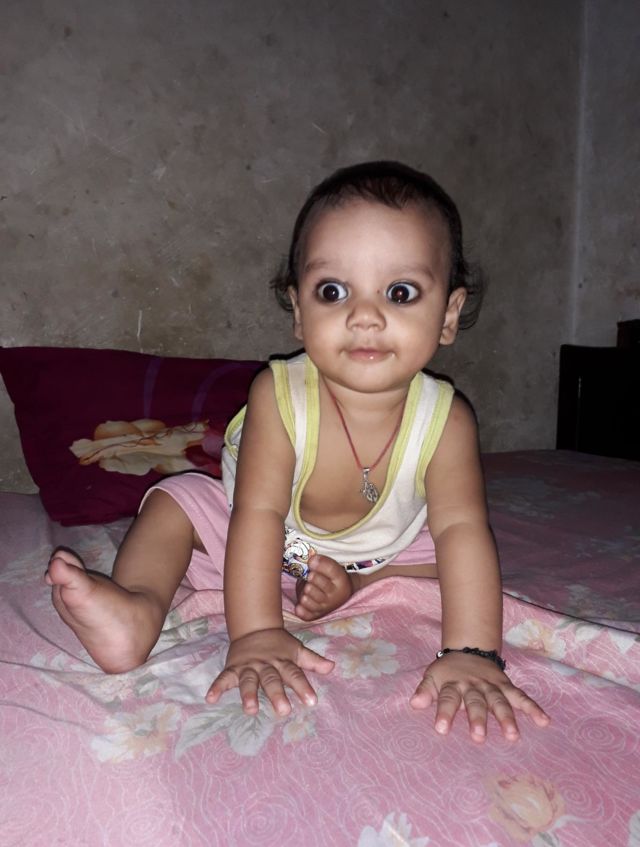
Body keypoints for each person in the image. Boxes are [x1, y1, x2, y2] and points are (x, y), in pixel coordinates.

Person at [47, 161, 550, 743]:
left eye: (401, 292)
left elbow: (461, 530)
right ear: (298, 311)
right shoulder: (278, 397)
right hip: (264, 541)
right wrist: (257, 632)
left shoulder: (448, 421)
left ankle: (350, 586)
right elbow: (257, 514)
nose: (365, 316)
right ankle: (136, 609)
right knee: (176, 503)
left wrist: (472, 651)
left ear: (449, 316)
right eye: (332, 291)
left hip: (382, 552)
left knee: (457, 553)